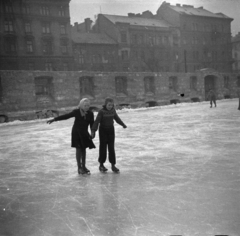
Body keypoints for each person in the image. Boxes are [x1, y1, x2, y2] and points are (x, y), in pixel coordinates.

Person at [47, 98, 95, 175]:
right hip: (76, 133)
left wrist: (93, 132)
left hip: (84, 133)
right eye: (85, 105)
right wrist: (55, 119)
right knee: (79, 149)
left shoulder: (90, 113)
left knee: (84, 149)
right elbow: (66, 116)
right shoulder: (76, 112)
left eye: (88, 105)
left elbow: (92, 124)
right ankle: (79, 168)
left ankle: (84, 166)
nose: (87, 107)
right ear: (81, 105)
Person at [91, 97, 127, 173]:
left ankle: (113, 165)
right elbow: (97, 121)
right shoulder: (101, 111)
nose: (110, 106)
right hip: (103, 131)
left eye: (111, 105)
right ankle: (101, 165)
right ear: (105, 104)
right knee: (103, 147)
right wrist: (93, 131)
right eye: (109, 105)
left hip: (111, 130)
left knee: (111, 148)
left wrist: (123, 124)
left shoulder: (113, 111)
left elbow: (117, 119)